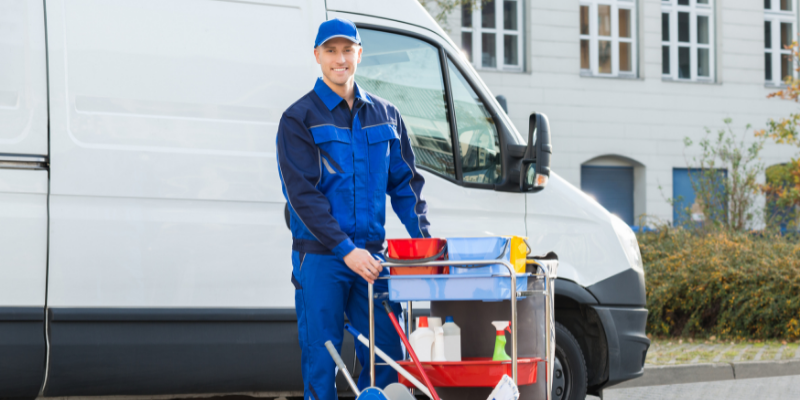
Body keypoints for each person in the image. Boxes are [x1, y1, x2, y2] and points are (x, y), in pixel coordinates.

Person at [276, 18, 430, 400]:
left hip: (372, 260)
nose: (339, 59)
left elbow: (406, 186)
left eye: (347, 50)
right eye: (331, 51)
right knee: (321, 363)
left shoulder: (386, 115)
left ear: (360, 53)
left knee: (387, 361)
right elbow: (304, 198)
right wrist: (347, 251)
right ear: (317, 56)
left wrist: (426, 245)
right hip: (322, 259)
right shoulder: (299, 119)